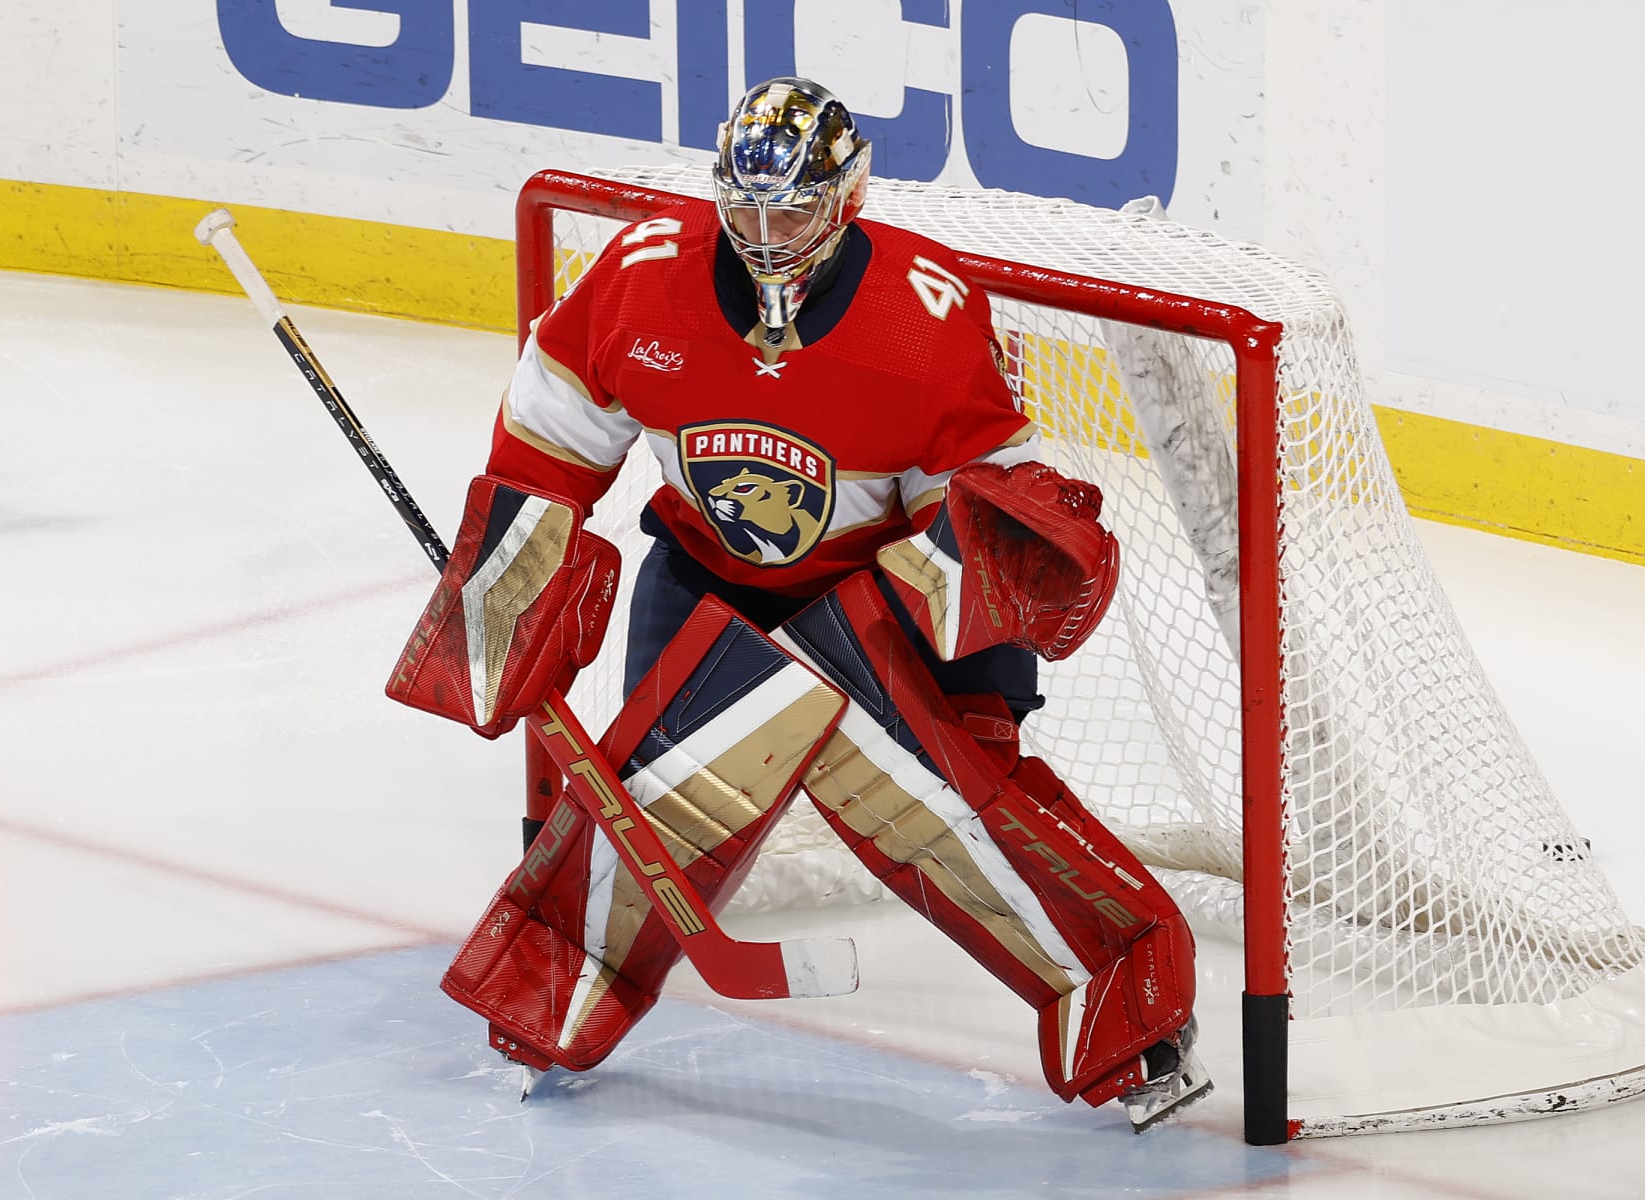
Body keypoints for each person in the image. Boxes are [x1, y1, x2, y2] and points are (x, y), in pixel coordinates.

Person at [388, 76, 1210, 1132]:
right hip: (702, 572)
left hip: (866, 591)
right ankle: (553, 991)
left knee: (951, 809)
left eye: (794, 208)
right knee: (655, 805)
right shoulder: (641, 280)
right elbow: (549, 440)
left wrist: (973, 694)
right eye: (747, 206)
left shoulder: (924, 314)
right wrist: (504, 589)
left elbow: (978, 516)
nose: (768, 234)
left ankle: (1128, 1005)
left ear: (848, 193)